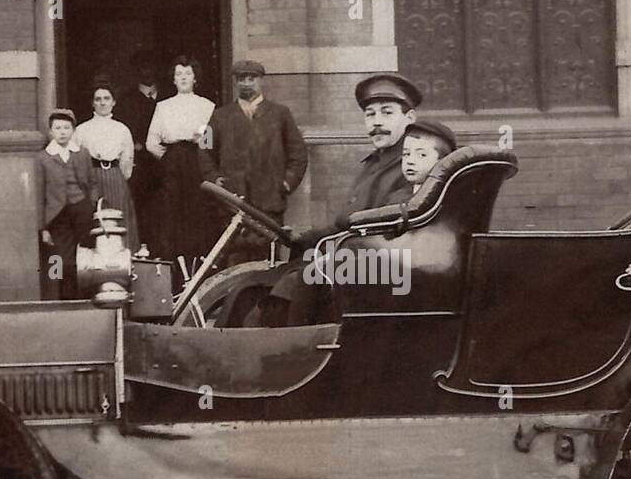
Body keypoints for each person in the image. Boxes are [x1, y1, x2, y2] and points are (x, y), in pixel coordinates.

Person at [232, 73, 426, 327]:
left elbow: (383, 225)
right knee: (253, 284)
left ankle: (293, 354)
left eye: (386, 113)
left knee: (298, 282)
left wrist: (328, 250)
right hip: (356, 258)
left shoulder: (412, 165)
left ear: (409, 118)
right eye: (370, 114)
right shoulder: (375, 163)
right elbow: (344, 223)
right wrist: (305, 237)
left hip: (385, 267)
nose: (377, 122)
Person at [200, 59, 308, 265]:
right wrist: (214, 178)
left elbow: (299, 153)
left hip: (269, 204)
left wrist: (287, 183)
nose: (247, 83)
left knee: (269, 262)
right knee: (234, 262)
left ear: (260, 81)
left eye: (252, 78)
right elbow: (203, 149)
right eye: (242, 79)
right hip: (234, 203)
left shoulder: (280, 114)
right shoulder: (219, 116)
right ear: (235, 82)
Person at [145, 55, 217, 270]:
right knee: (171, 213)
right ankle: (175, 268)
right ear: (173, 80)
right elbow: (151, 142)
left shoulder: (207, 105)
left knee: (198, 211)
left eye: (188, 73)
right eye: (179, 74)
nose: (183, 77)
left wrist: (199, 142)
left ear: (195, 78)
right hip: (173, 161)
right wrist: (169, 159)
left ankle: (198, 265)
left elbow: (212, 140)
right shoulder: (164, 106)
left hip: (198, 160)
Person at [36, 108, 98, 300]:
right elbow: (39, 195)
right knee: (61, 260)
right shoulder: (43, 158)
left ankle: (86, 299)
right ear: (51, 132)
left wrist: (92, 205)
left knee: (86, 256)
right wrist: (43, 228)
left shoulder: (82, 154)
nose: (62, 132)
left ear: (72, 130)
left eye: (66, 127)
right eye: (58, 128)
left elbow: (92, 183)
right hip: (57, 215)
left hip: (81, 209)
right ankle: (63, 300)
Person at [73, 79, 140, 253]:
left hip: (115, 177)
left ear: (114, 102)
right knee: (94, 220)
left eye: (107, 98)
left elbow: (127, 160)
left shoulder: (122, 129)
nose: (102, 102)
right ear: (92, 103)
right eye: (98, 99)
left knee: (119, 219)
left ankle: (123, 264)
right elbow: (76, 159)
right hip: (91, 177)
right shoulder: (81, 130)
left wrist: (117, 177)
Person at [115, 55, 164, 247]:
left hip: (164, 164)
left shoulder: (167, 97)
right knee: (141, 210)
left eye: (151, 66)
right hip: (139, 167)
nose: (148, 71)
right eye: (143, 67)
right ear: (136, 71)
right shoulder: (126, 101)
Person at [399, 118, 457, 190]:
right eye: (406, 154)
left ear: (442, 160)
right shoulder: (394, 198)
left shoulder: (450, 196)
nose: (410, 161)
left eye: (422, 155)